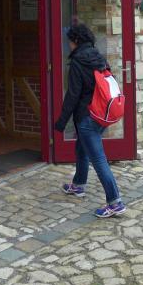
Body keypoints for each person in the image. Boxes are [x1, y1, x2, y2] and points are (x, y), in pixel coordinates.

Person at [56, 23, 126, 218]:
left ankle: (115, 202)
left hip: (87, 118)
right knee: (81, 148)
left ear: (76, 41)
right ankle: (78, 184)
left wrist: (61, 121)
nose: (69, 45)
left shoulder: (77, 62)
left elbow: (72, 95)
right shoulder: (98, 57)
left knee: (98, 159)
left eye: (70, 41)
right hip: (101, 114)